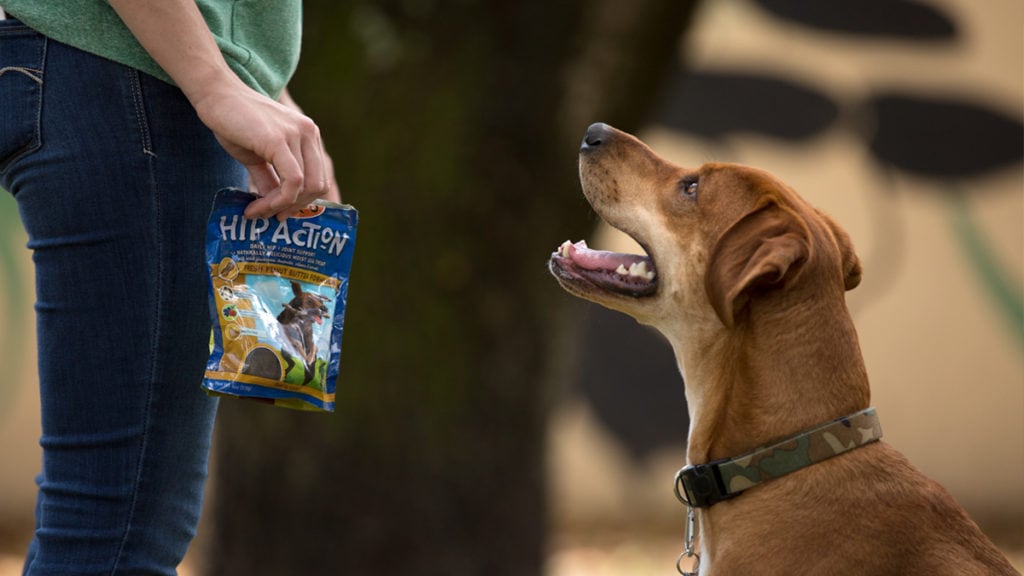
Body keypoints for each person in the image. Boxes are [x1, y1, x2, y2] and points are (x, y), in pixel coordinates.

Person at [0, 1, 339, 574]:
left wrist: (258, 82)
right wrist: (213, 82)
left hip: (83, 63)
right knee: (120, 530)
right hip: (133, 77)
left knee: (107, 516)